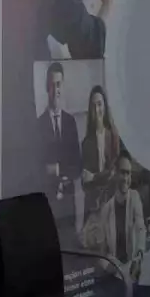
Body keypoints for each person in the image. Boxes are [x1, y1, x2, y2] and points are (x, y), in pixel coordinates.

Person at [37, 62, 83, 241]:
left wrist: (56, 169)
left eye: (58, 85)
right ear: (46, 88)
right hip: (47, 205)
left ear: (62, 87)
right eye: (52, 85)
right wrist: (62, 168)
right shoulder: (38, 125)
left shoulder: (71, 122)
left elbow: (77, 165)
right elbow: (36, 168)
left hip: (68, 207)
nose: (55, 89)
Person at [98, 154, 147, 282]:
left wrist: (138, 259)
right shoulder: (106, 210)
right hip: (114, 271)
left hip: (132, 268)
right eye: (122, 173)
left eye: (128, 173)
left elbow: (141, 229)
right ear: (115, 174)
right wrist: (111, 268)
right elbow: (102, 251)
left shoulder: (135, 198)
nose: (126, 178)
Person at [81, 85, 123, 217]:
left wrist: (94, 177)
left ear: (105, 107)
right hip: (93, 204)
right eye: (93, 106)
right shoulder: (86, 142)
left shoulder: (113, 136)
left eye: (99, 104)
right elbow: (85, 182)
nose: (96, 110)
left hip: (112, 200)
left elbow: (113, 173)